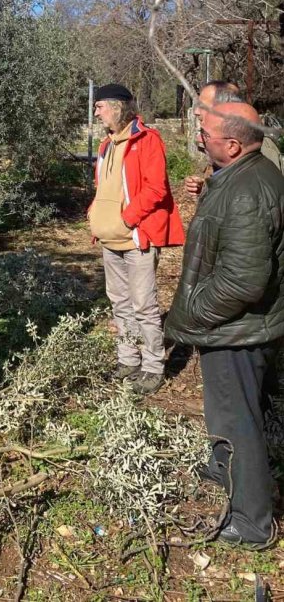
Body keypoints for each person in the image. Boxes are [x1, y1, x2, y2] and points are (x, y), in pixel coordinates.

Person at [165, 101, 284, 548]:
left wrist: (191, 314)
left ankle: (252, 524)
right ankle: (224, 468)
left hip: (237, 329)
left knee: (238, 420)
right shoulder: (240, 176)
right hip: (239, 326)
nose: (200, 137)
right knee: (230, 413)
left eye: (207, 133)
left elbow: (242, 282)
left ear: (232, 145)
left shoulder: (248, 190)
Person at [90, 84, 184, 395]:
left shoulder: (147, 140)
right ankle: (128, 359)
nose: (96, 111)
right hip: (109, 239)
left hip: (136, 238)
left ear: (117, 107)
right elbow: (105, 188)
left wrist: (126, 219)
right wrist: (97, 218)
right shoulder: (107, 144)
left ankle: (154, 366)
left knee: (144, 305)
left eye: (100, 106)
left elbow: (156, 189)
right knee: (120, 303)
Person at [185, 81, 283, 198]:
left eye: (203, 106)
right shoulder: (218, 141)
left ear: (226, 106)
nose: (196, 112)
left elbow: (264, 202)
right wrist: (205, 189)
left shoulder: (262, 148)